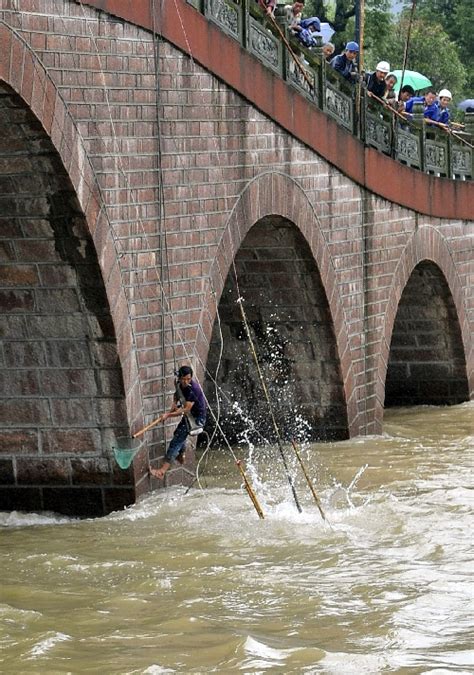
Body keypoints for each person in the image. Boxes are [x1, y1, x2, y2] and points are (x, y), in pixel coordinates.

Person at [149, 366, 207, 481]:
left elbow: (186, 409)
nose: (186, 382)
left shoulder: (194, 389)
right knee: (178, 433)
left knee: (176, 441)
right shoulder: (179, 383)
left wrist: (168, 415)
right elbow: (177, 393)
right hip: (189, 416)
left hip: (197, 418)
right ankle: (181, 454)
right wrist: (173, 406)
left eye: (188, 379)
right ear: (179, 377)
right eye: (183, 379)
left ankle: (162, 471)